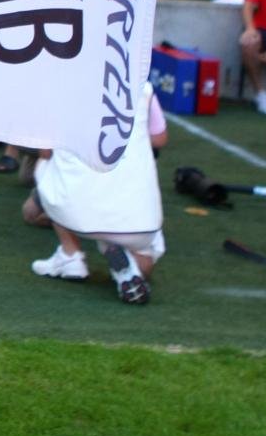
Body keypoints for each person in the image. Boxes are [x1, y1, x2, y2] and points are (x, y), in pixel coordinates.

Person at [27, 83, 168, 305]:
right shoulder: (144, 87)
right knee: (144, 264)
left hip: (80, 211)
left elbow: (45, 151)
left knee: (46, 166)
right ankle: (126, 267)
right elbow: (160, 139)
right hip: (139, 219)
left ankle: (70, 254)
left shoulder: (59, 87)